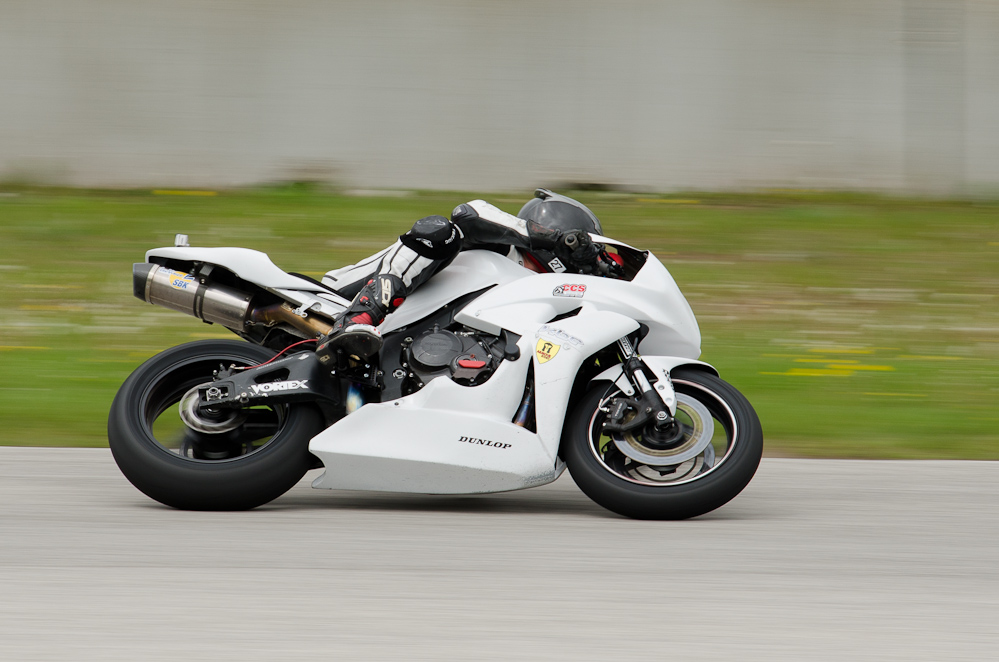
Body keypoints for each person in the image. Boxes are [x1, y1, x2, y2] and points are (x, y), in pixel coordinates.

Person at [315, 189, 622, 364]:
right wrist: (555, 239)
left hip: (403, 347)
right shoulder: (501, 248)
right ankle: (358, 318)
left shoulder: (539, 299)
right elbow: (469, 213)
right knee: (441, 232)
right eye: (583, 247)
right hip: (334, 298)